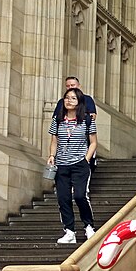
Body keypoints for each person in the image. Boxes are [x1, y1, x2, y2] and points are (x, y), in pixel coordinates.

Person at [47, 87, 98, 244]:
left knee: (80, 195)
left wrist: (86, 159)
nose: (69, 101)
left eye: (73, 98)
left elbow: (94, 142)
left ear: (79, 102)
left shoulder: (87, 120)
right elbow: (54, 141)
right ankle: (69, 231)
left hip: (79, 164)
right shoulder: (58, 119)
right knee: (63, 198)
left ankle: (89, 226)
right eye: (67, 98)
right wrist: (51, 156)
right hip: (61, 165)